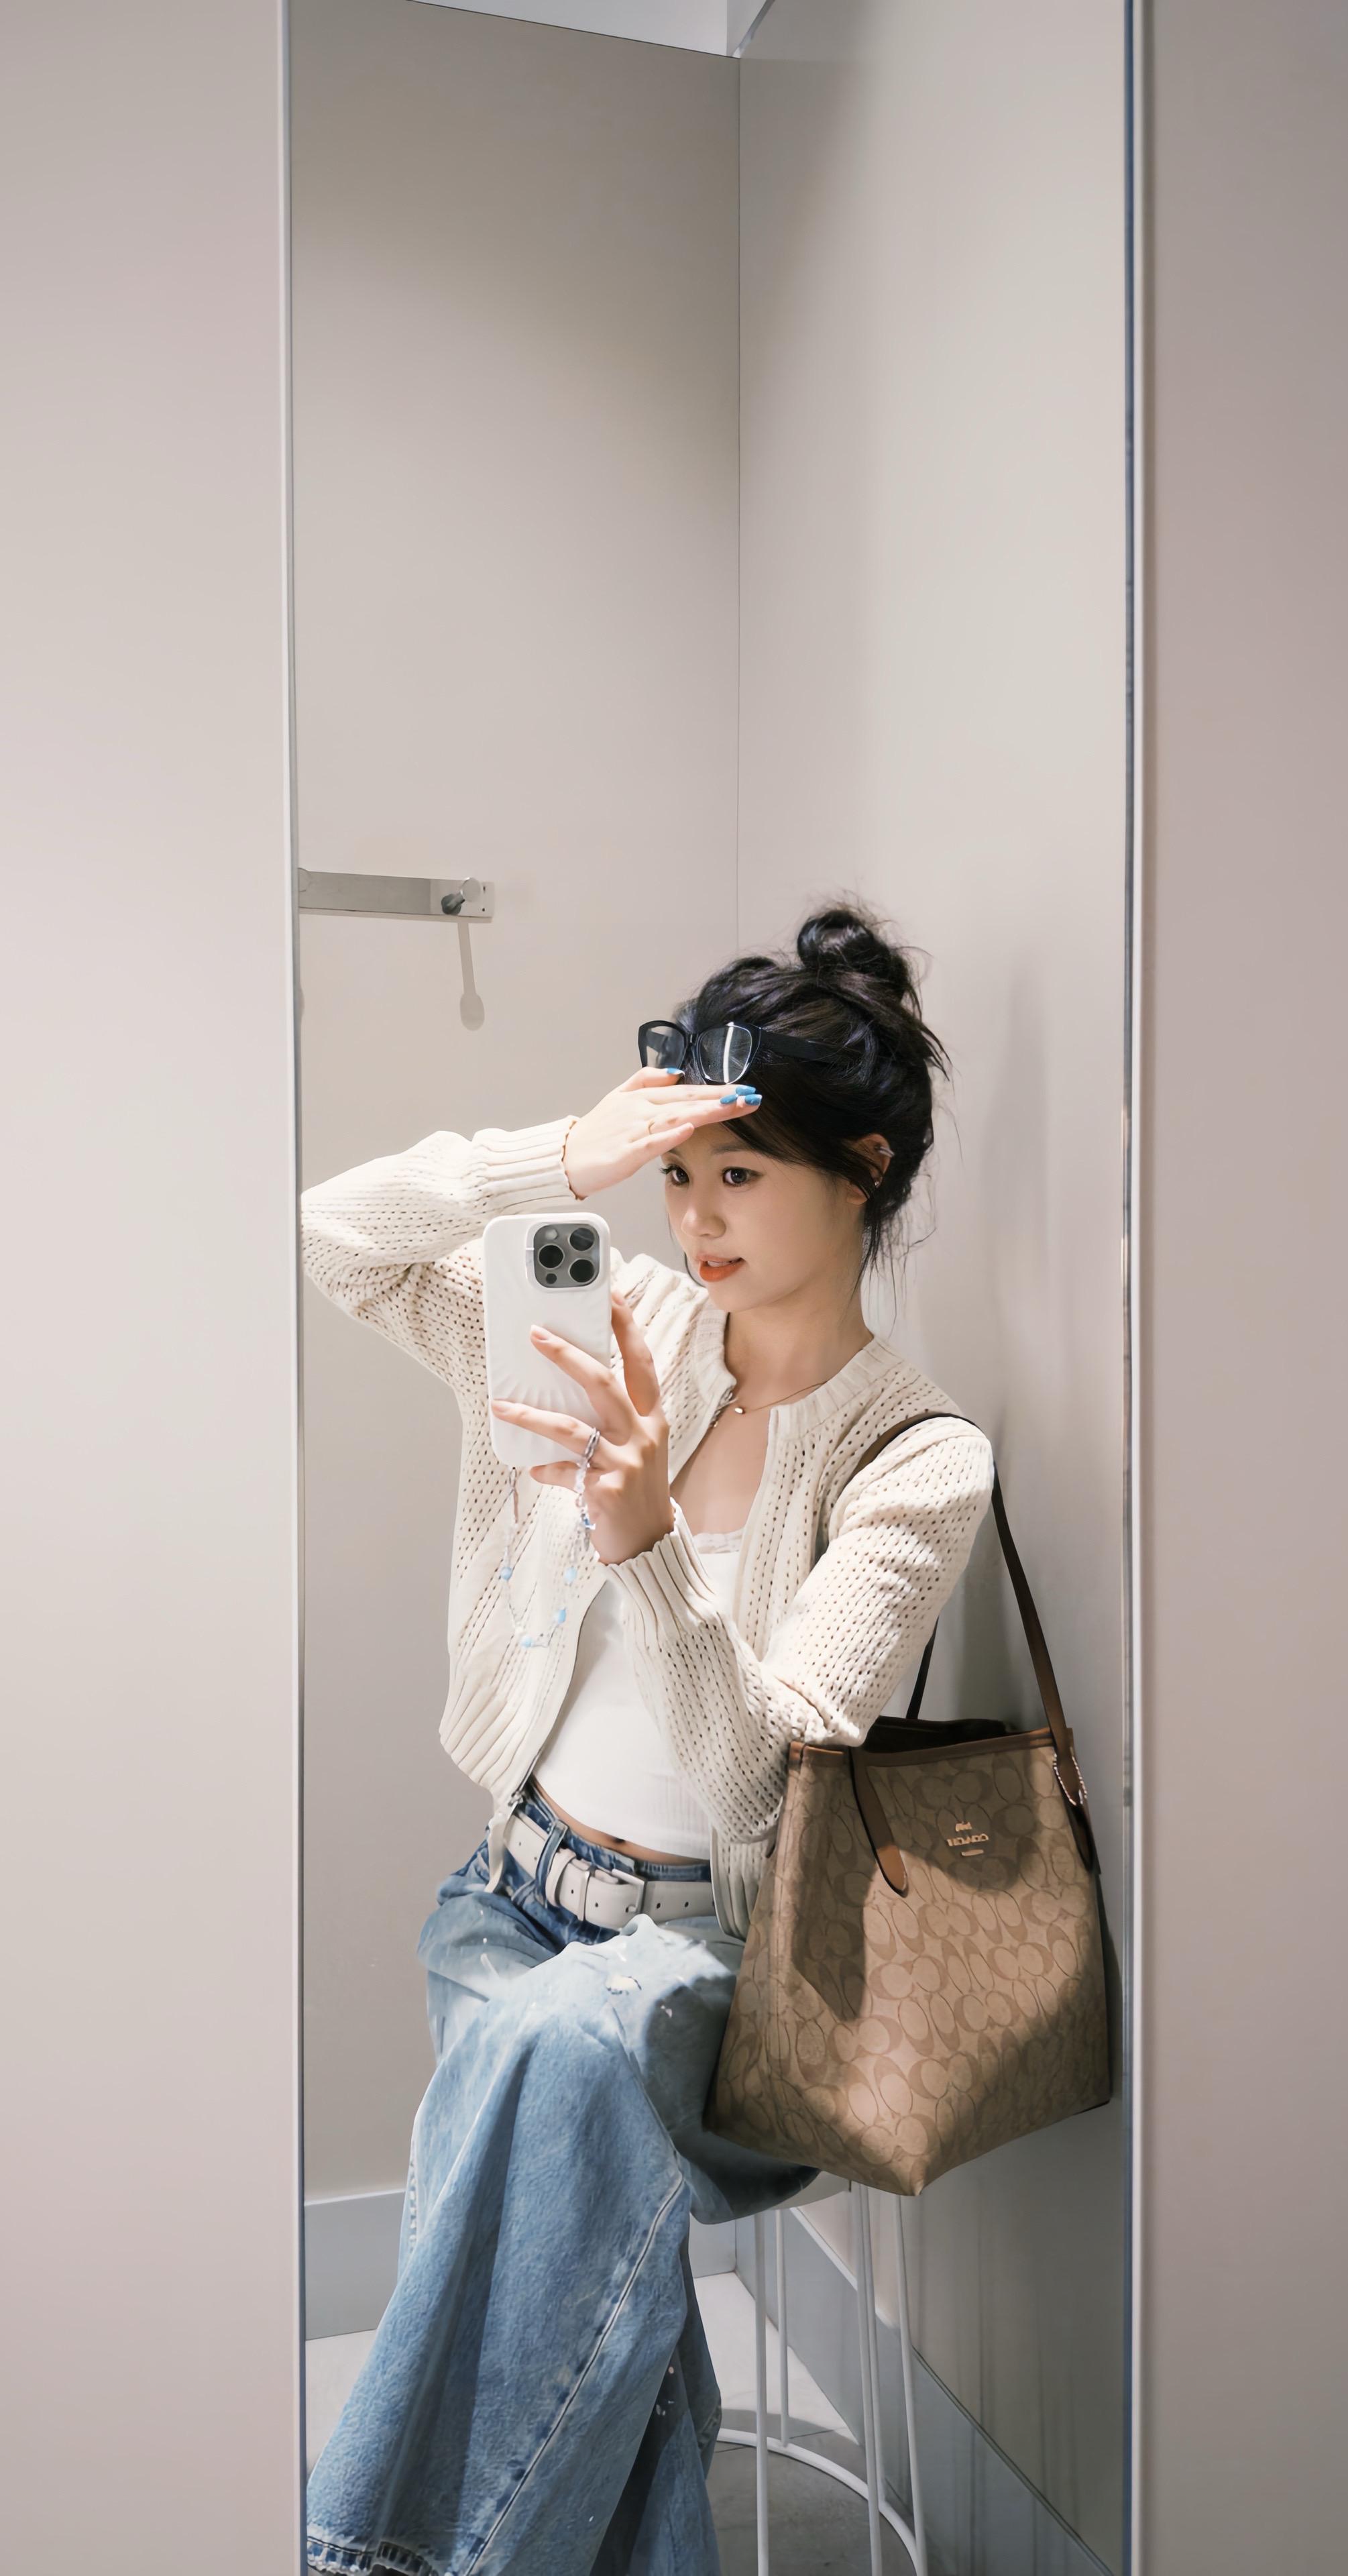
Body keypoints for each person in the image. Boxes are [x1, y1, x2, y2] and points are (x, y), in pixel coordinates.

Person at [301, 904, 994, 2576]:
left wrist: (647, 1546)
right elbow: (335, 1238)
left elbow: (764, 1784)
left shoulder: (915, 1460)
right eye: (677, 1176)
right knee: (585, 2257)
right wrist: (564, 1153)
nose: (693, 1218)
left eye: (738, 1173)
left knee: (557, 2076)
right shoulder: (612, 1312)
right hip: (510, 1905)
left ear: (862, 1173)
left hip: (725, 1978)